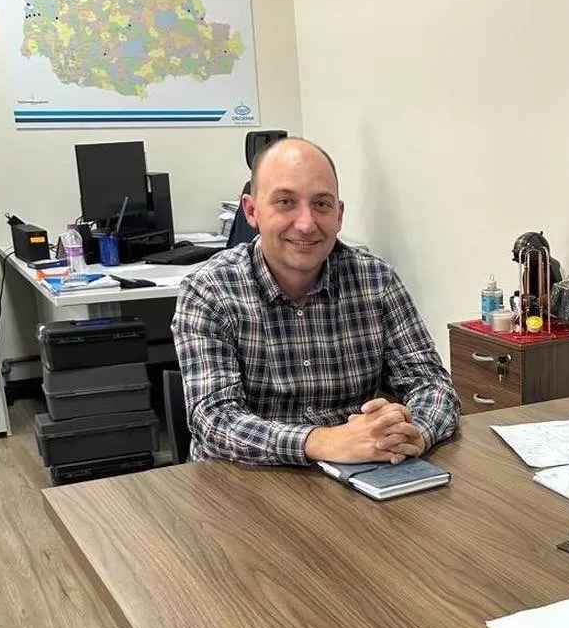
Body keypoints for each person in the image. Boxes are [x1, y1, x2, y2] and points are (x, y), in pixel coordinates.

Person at [171, 137, 460, 465]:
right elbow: (213, 420)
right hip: (243, 487)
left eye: (321, 204)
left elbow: (432, 384)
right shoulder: (209, 290)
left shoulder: (376, 280)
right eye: (285, 202)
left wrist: (413, 433)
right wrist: (320, 441)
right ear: (251, 211)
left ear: (339, 215)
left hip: (359, 478)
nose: (306, 224)